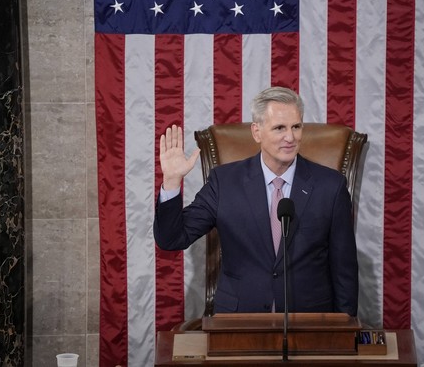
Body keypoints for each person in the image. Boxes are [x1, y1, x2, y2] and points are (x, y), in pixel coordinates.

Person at [153, 86, 358, 316]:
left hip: (309, 322)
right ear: (257, 132)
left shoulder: (330, 186)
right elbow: (172, 238)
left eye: (296, 127)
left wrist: (344, 334)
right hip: (239, 322)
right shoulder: (225, 182)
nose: (290, 137)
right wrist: (171, 181)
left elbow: (345, 272)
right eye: (280, 128)